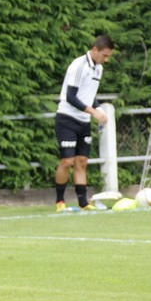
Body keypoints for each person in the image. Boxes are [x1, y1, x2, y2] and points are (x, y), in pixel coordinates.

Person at [54, 35, 115, 212]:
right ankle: (60, 202)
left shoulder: (99, 68)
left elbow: (89, 94)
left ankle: (83, 203)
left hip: (83, 121)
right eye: (104, 55)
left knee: (81, 161)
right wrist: (93, 111)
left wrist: (99, 109)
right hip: (66, 118)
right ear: (95, 49)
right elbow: (70, 96)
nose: (106, 59)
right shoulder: (78, 65)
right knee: (67, 161)